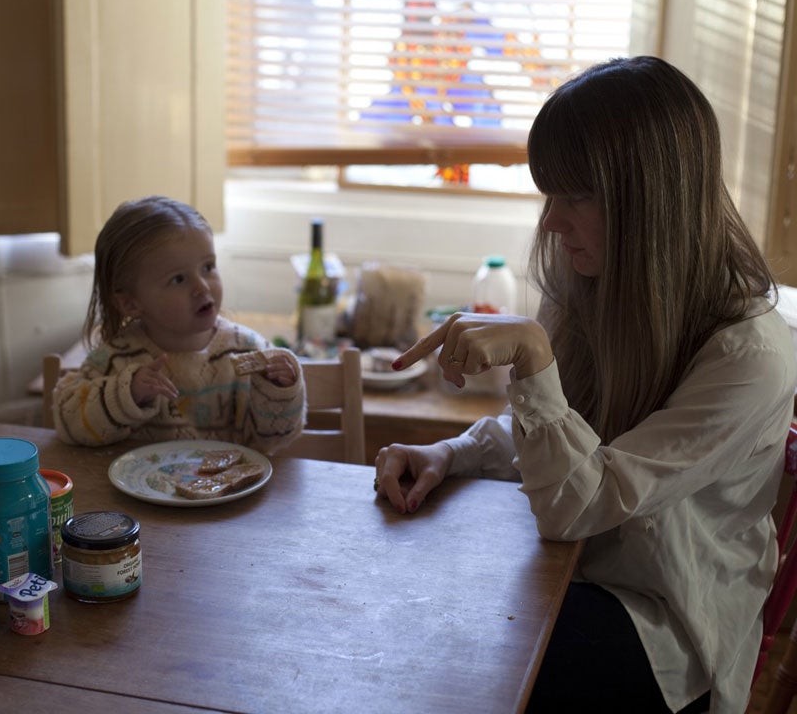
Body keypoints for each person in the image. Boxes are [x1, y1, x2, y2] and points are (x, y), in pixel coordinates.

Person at [377, 56, 797, 714]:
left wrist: (534, 359)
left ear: (650, 198)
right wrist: (450, 454)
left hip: (662, 625)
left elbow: (580, 500)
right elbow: (559, 444)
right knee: (418, 605)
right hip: (571, 569)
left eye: (576, 195)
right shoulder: (593, 288)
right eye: (551, 193)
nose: (551, 222)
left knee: (459, 651)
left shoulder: (752, 357)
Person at [52, 195, 306, 453]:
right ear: (131, 304)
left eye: (208, 266)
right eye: (178, 279)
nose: (202, 286)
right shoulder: (115, 357)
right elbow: (67, 423)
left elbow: (273, 440)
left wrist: (279, 393)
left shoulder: (248, 350)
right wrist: (127, 394)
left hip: (230, 490)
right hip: (138, 493)